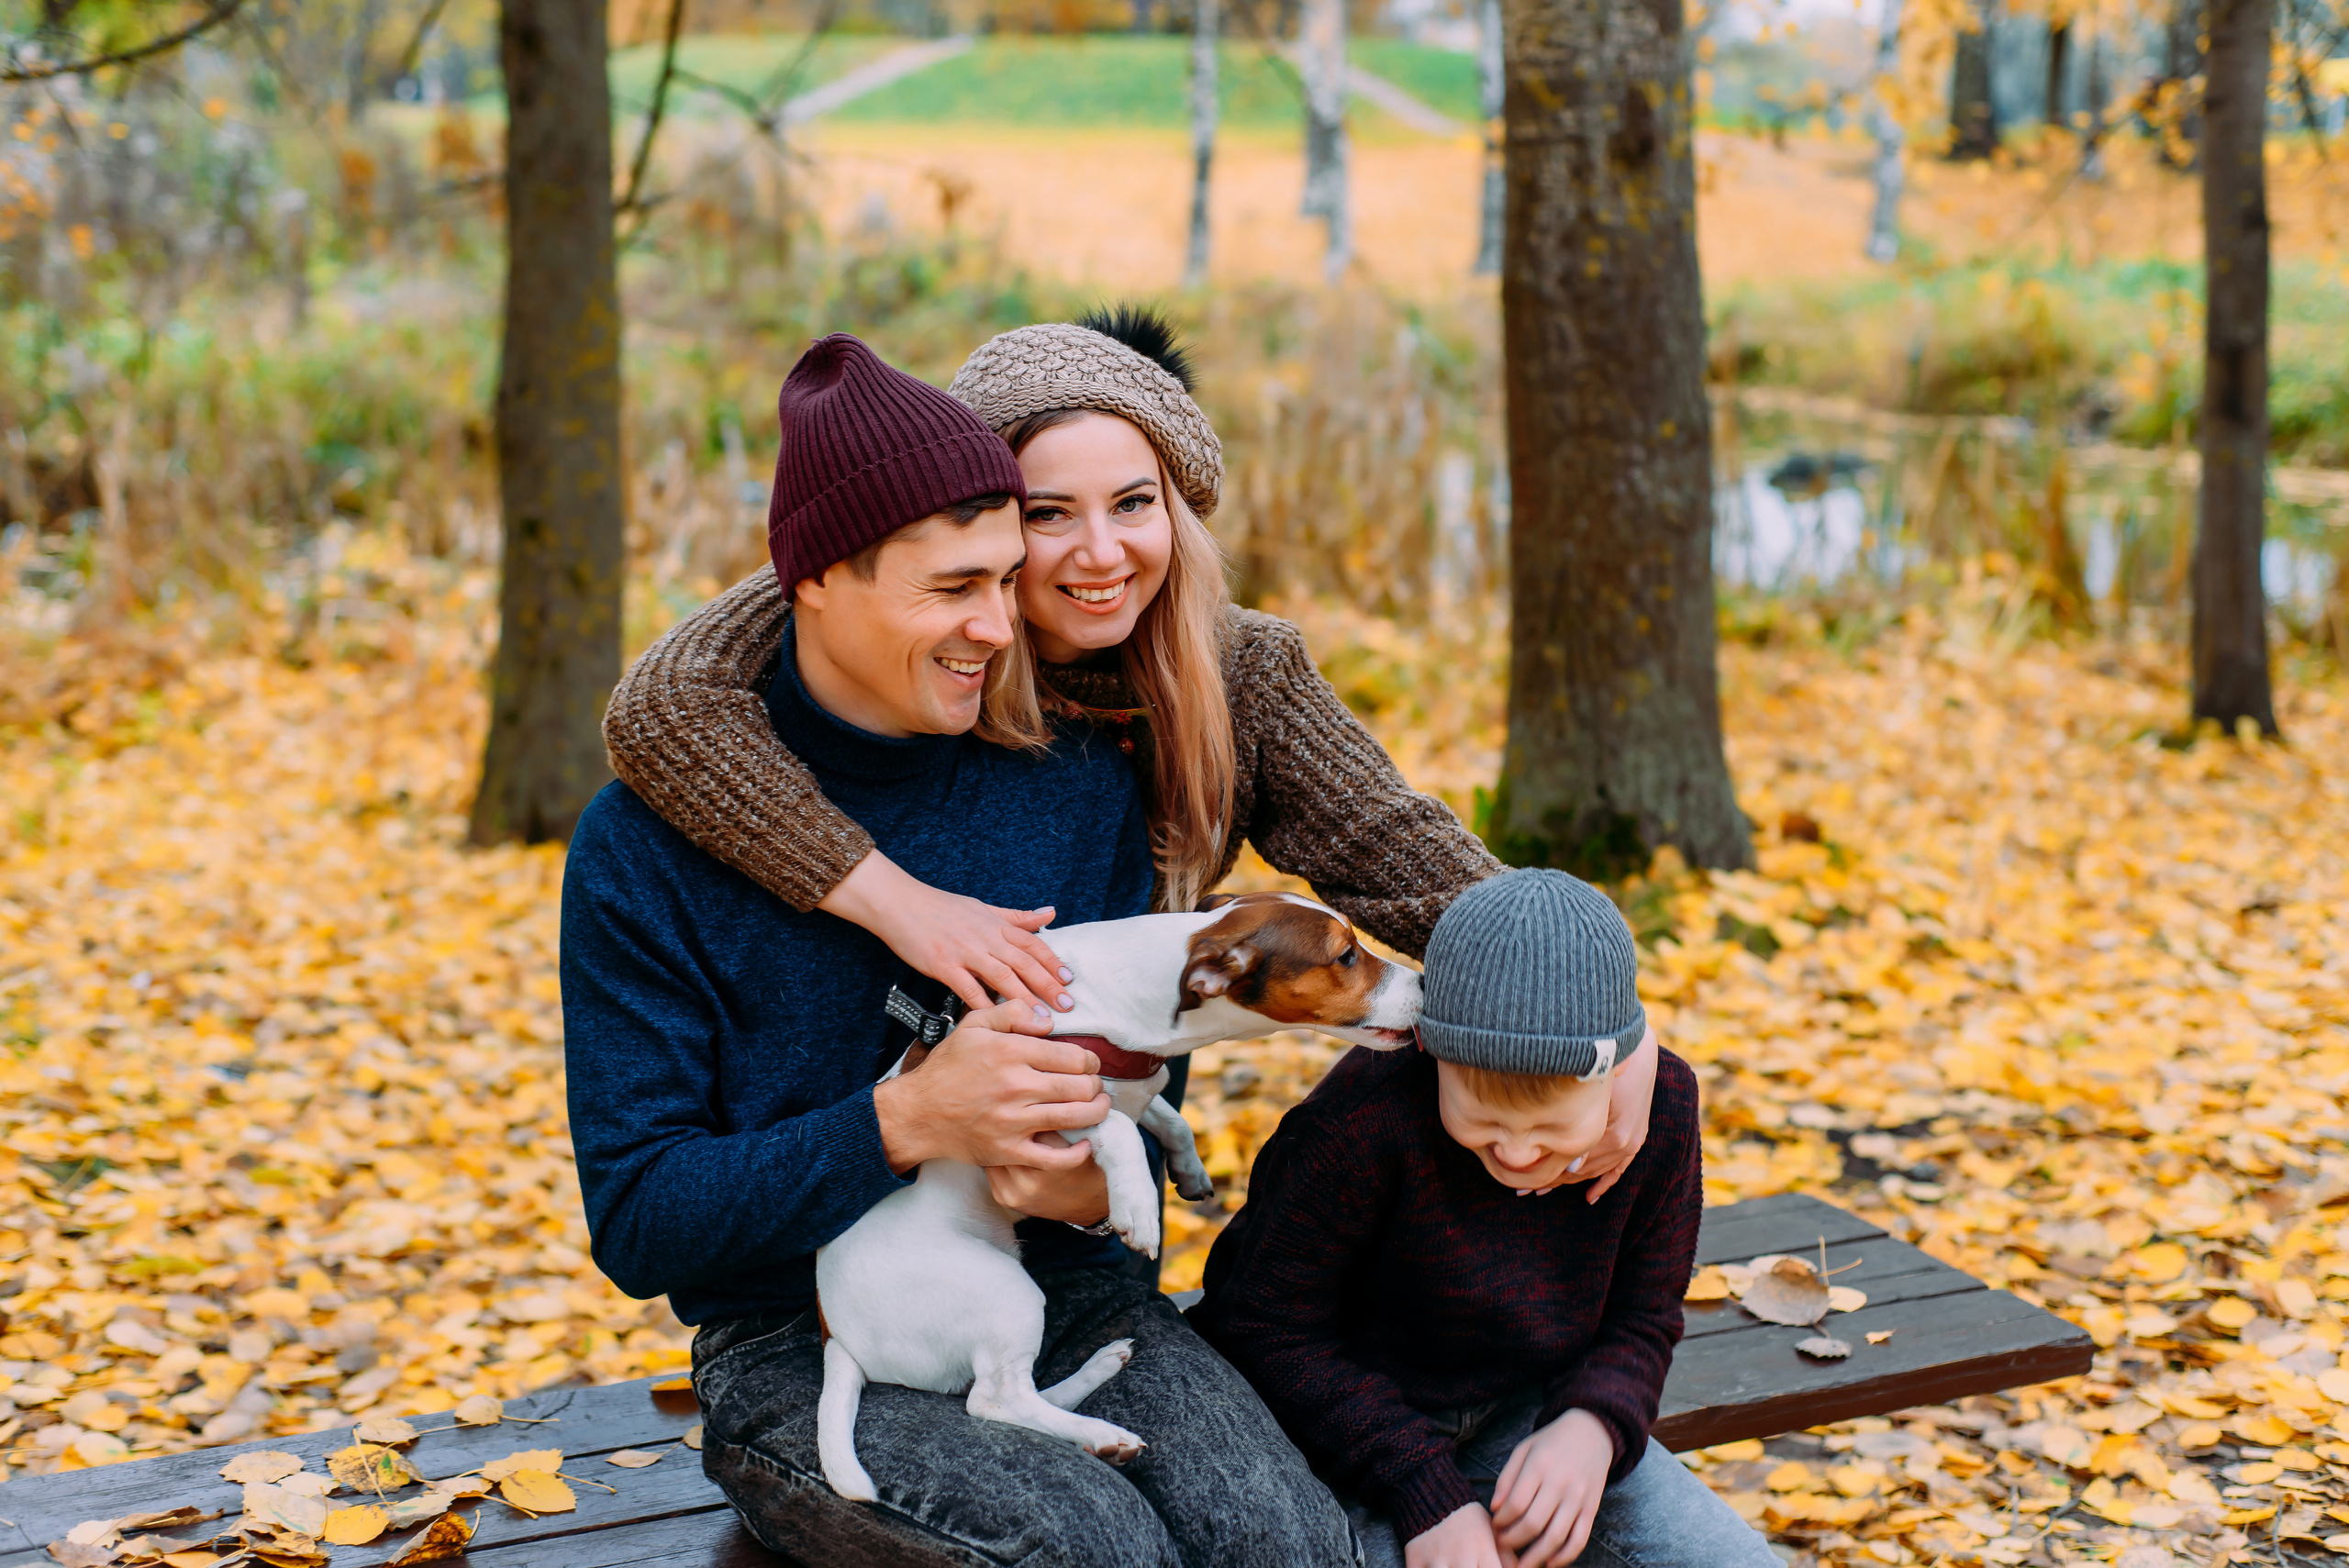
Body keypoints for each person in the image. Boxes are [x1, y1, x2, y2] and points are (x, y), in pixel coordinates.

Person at [561, 333, 1355, 1568]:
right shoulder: (646, 845)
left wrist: (1087, 1188)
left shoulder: (1078, 769)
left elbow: (1137, 1087)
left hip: (1067, 1292)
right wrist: (905, 1122)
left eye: (1004, 576)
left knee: (1285, 1541)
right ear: (811, 582)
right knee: (1087, 1550)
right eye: (950, 592)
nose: (999, 628)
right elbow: (642, 1219)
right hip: (803, 1341)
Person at [600, 306, 1661, 1201]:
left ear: (1178, 508)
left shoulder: (1238, 673)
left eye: (1134, 504)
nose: (1101, 554)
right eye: (1047, 513)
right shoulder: (928, 629)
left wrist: (1602, 1012)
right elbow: (661, 703)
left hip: (1102, 1149)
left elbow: (1398, 848)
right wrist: (892, 899)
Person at [1190, 871, 1777, 1568]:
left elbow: (1644, 1313)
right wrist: (1423, 1486)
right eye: (1483, 1118)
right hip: (1332, 1431)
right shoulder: (1357, 1127)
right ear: (1429, 1050)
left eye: (1555, 1125)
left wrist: (1593, 1423)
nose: (1520, 1151)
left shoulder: (1666, 1109)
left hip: (1518, 1407)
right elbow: (1265, 1326)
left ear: (1620, 1075)